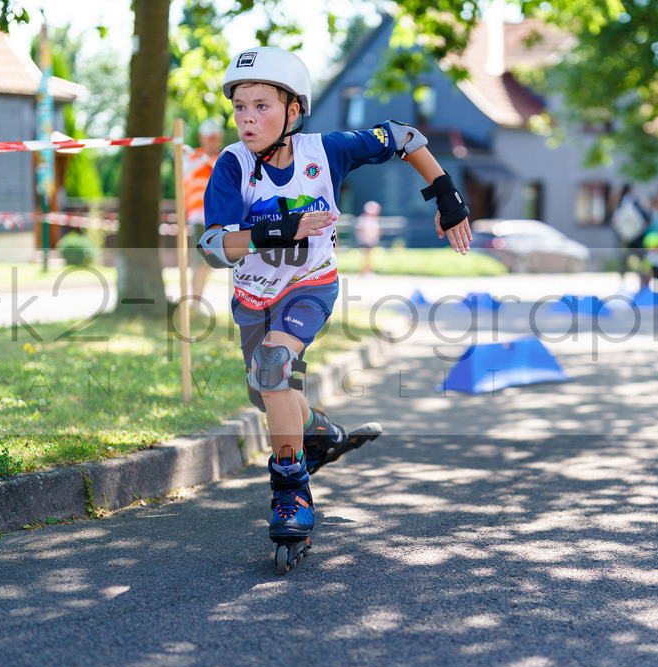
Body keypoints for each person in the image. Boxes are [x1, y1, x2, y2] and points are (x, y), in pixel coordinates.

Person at [197, 46, 472, 565]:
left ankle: (291, 493)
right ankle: (319, 433)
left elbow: (402, 136)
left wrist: (446, 194)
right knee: (268, 393)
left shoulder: (326, 151)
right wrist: (281, 229)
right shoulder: (232, 165)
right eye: (239, 107)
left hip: (311, 286)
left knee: (273, 368)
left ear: (293, 111)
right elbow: (213, 248)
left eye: (261, 106)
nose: (247, 118)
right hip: (253, 296)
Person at [183, 118, 224, 311]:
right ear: (201, 137)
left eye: (215, 137)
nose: (212, 141)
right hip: (198, 217)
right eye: (209, 137)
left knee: (207, 263)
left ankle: (196, 302)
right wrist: (206, 159)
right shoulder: (192, 156)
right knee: (199, 262)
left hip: (217, 218)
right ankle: (194, 304)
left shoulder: (223, 158)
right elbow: (185, 172)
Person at [611, 184, 649, 281]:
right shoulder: (634, 202)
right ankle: (643, 279)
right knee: (640, 258)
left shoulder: (621, 203)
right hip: (636, 237)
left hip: (626, 238)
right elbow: (644, 218)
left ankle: (625, 279)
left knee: (625, 259)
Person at [355, 200, 382, 275]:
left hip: (371, 240)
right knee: (365, 256)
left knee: (369, 256)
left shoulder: (373, 219)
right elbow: (361, 230)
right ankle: (364, 271)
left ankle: (368, 271)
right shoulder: (364, 219)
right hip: (365, 241)